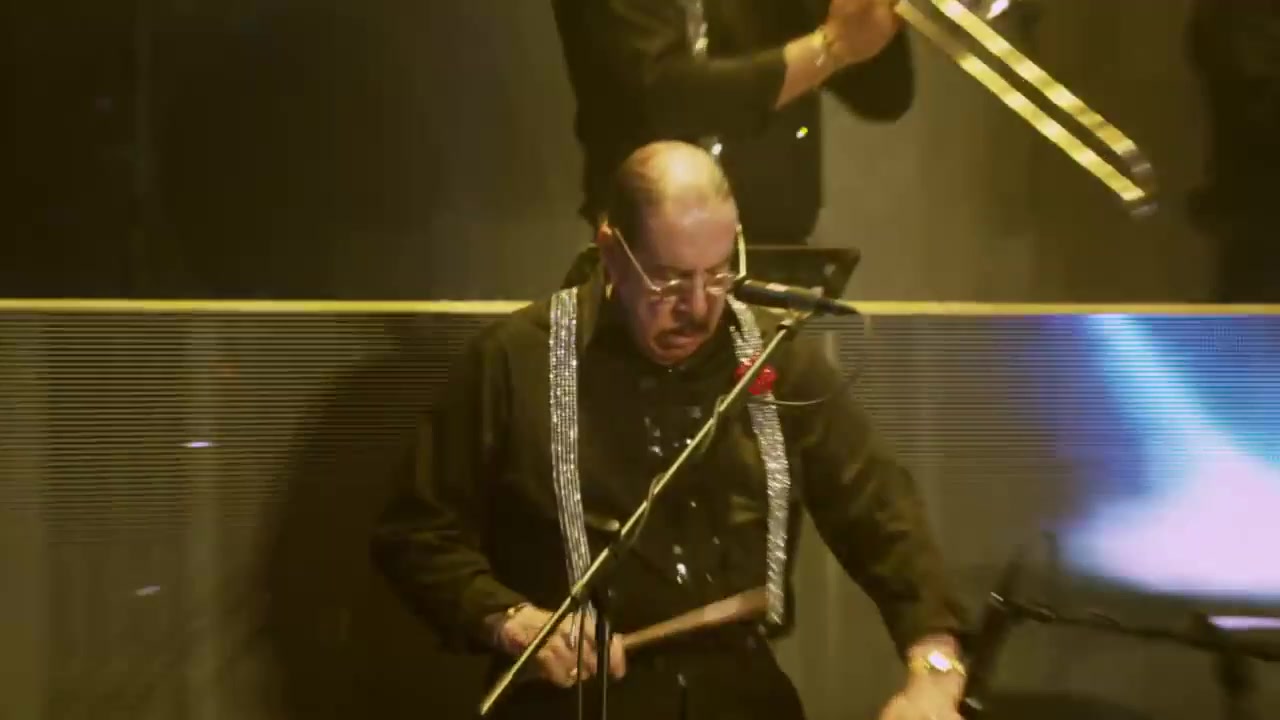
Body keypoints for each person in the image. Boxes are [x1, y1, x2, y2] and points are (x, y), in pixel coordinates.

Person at [372, 140, 968, 720]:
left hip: (741, 698)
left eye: (719, 274)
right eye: (669, 280)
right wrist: (511, 620)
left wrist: (934, 671)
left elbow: (882, 517)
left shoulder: (773, 353)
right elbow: (417, 536)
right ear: (611, 250)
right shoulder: (515, 360)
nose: (699, 308)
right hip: (573, 702)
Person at [551, 0, 913, 248]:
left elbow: (884, 97)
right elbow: (663, 95)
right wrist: (829, 50)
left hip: (781, 254)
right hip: (652, 260)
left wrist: (868, 24)